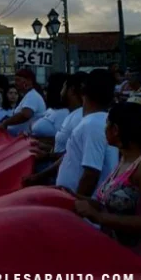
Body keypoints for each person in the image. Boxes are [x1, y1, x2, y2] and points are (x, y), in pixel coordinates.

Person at [74, 102, 141, 267]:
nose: (104, 129)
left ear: (116, 130)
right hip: (123, 258)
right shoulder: (125, 160)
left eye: (107, 124)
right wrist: (71, 196)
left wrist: (99, 217)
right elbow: (113, 206)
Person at [55, 69, 118, 197]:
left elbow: (92, 172)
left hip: (84, 208)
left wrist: (77, 203)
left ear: (84, 90)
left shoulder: (93, 124)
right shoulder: (97, 120)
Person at [26, 73, 88, 186]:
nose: (61, 91)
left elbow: (72, 155)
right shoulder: (72, 115)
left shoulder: (80, 118)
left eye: (64, 87)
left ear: (71, 90)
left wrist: (41, 173)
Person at [0, 69, 46, 137]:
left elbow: (25, 115)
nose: (15, 83)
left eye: (18, 80)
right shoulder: (28, 95)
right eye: (15, 80)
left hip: (27, 141)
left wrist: (5, 123)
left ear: (29, 81)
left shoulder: (32, 95)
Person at [30, 73, 70, 140]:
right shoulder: (52, 110)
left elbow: (60, 138)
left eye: (47, 89)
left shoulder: (64, 113)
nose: (45, 93)